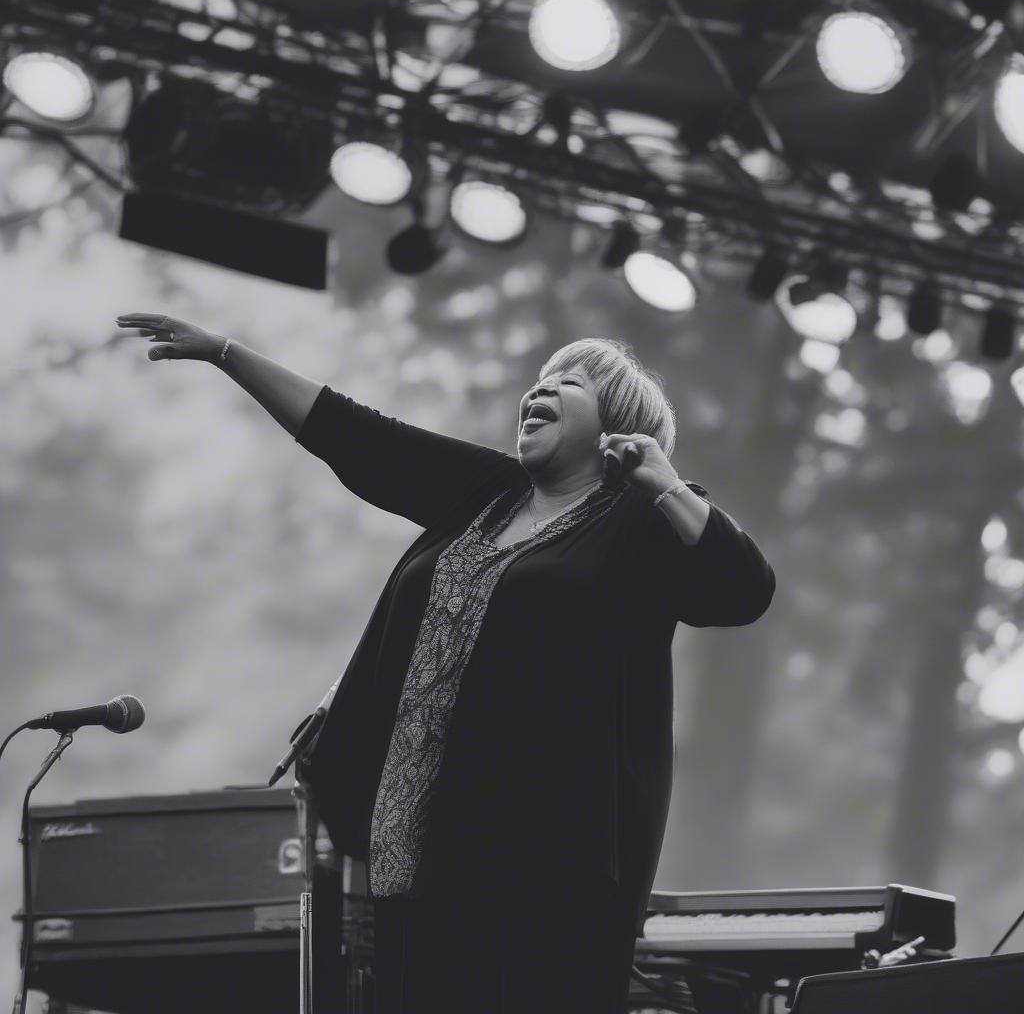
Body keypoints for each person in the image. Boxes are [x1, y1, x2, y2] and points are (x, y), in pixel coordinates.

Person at [116, 312, 777, 1013]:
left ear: (619, 425)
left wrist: (666, 486)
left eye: (568, 383)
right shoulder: (485, 495)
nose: (539, 392)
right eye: (538, 381)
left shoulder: (637, 524)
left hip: (544, 859)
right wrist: (226, 352)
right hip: (414, 844)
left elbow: (742, 591)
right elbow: (356, 434)